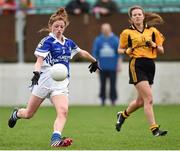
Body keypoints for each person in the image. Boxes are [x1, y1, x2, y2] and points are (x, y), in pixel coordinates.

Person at [8, 7, 100, 147]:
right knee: (28, 114)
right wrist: (36, 73)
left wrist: (94, 61)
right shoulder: (47, 42)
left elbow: (81, 52)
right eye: (56, 26)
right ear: (51, 26)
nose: (59, 29)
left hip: (60, 83)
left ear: (65, 27)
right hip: (44, 81)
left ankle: (55, 139)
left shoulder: (68, 42)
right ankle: (16, 114)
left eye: (61, 26)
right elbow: (39, 61)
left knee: (63, 111)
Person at [115, 5, 168, 136]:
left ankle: (122, 115)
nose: (137, 16)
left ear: (143, 16)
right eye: (135, 15)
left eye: (139, 14)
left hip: (150, 65)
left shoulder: (153, 31)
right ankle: (154, 129)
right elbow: (119, 49)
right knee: (149, 99)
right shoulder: (126, 33)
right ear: (131, 18)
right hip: (136, 64)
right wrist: (127, 50)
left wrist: (154, 45)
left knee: (140, 101)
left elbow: (161, 50)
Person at [92, 23, 122, 106]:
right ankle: (102, 99)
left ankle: (113, 100)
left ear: (110, 29)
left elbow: (119, 54)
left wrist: (119, 65)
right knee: (102, 85)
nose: (105, 30)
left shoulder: (115, 39)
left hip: (113, 67)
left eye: (107, 29)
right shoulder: (98, 40)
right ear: (101, 30)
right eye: (103, 29)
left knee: (113, 84)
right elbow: (95, 54)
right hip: (102, 67)